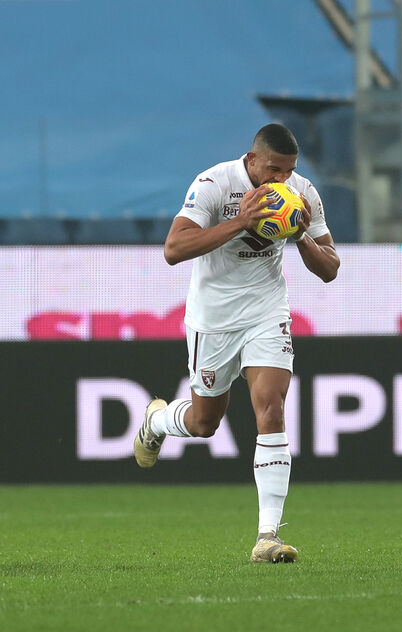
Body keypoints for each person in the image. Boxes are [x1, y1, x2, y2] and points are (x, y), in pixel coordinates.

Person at [133, 123, 340, 563]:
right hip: (213, 318)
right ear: (252, 160)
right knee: (205, 423)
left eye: (289, 171)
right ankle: (157, 421)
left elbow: (330, 268)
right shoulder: (214, 183)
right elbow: (173, 249)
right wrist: (241, 222)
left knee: (272, 407)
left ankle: (267, 537)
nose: (282, 180)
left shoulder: (302, 193)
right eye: (274, 169)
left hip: (266, 311)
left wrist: (299, 234)